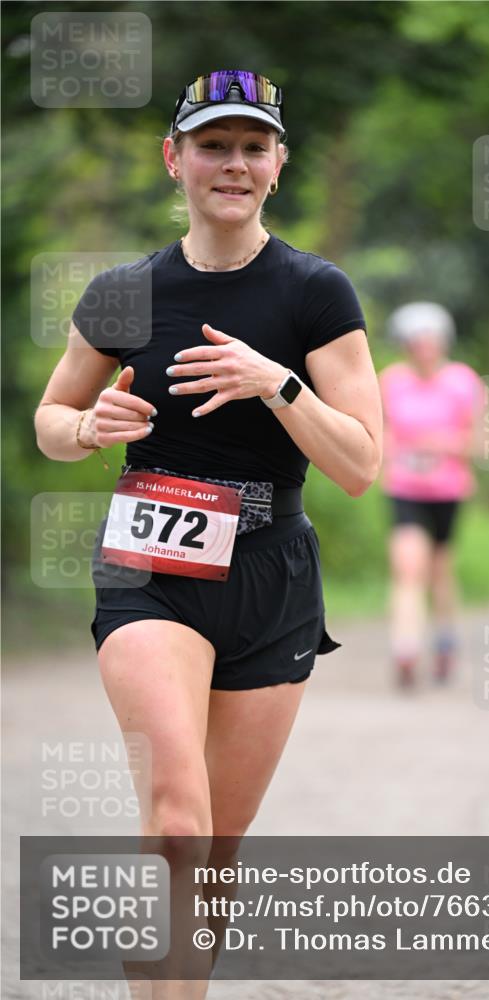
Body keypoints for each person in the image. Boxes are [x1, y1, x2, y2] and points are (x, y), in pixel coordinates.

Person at [34, 68, 382, 996]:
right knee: (179, 822)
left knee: (215, 850)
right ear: (174, 160)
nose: (233, 163)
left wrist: (278, 382)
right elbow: (52, 421)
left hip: (271, 572)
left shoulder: (316, 292)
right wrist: (86, 428)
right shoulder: (125, 291)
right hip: (150, 565)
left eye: (252, 147)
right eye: (213, 146)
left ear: (277, 166)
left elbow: (358, 465)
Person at [378, 302, 486, 688]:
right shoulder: (390, 381)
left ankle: (445, 640)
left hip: (448, 491)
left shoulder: (463, 381)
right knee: (408, 567)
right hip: (404, 488)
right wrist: (390, 451)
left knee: (440, 570)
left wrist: (440, 444)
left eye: (430, 340)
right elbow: (380, 433)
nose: (423, 348)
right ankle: (406, 649)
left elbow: (482, 443)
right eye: (414, 341)